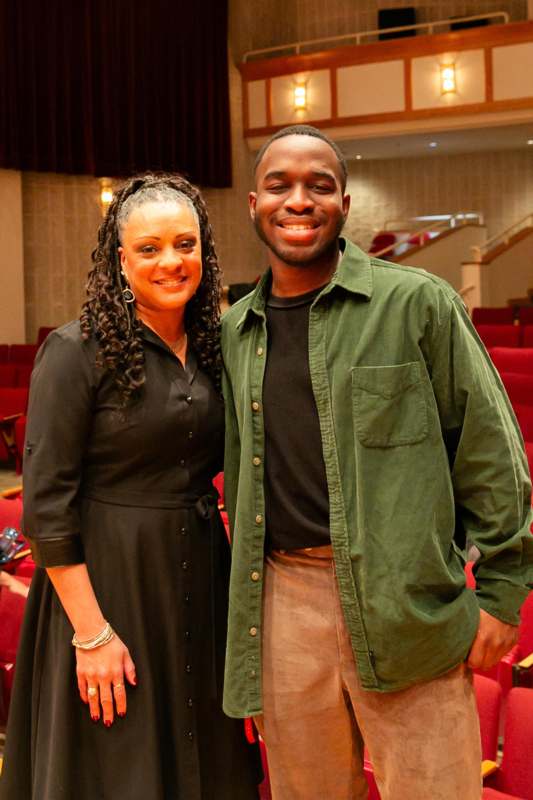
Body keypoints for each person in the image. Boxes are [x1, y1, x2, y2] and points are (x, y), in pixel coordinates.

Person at [220, 125, 533, 800]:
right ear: (253, 204)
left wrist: (503, 594)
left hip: (407, 604)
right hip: (283, 607)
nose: (298, 200)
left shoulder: (417, 302)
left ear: (344, 204)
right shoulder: (234, 331)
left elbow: (490, 454)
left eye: (318, 185)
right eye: (279, 185)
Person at [0, 173, 260, 799]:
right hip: (109, 587)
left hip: (200, 570)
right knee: (120, 762)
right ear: (120, 259)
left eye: (185, 244)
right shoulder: (74, 351)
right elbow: (48, 509)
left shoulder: (214, 347)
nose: (171, 261)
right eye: (149, 248)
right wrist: (92, 635)